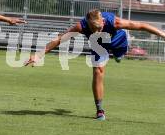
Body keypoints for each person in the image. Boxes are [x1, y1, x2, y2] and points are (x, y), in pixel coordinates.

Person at [26, 9, 165, 120]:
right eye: (94, 29)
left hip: (117, 40)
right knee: (98, 72)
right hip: (99, 45)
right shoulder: (81, 26)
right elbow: (59, 40)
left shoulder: (114, 22)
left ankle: (118, 55)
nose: (97, 31)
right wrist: (38, 55)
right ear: (88, 23)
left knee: (118, 55)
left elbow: (142, 26)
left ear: (103, 21)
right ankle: (99, 110)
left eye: (99, 28)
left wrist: (162, 34)